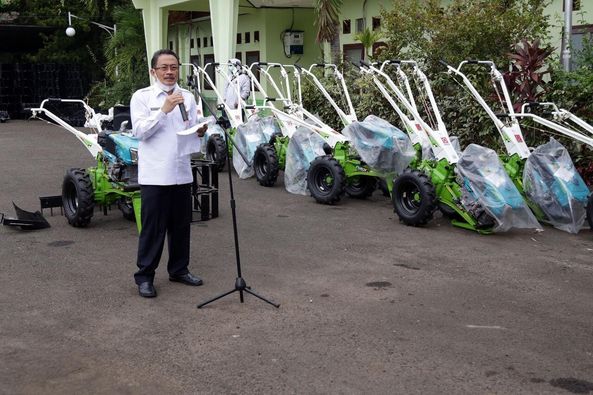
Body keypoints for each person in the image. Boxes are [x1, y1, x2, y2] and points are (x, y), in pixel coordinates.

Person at [130, 49, 208, 298]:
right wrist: (163, 110)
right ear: (153, 71)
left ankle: (179, 269)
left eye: (173, 67)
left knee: (181, 225)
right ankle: (145, 276)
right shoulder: (142, 98)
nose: (169, 72)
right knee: (153, 228)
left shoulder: (187, 96)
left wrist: (199, 131)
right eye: (164, 67)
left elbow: (188, 127)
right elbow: (140, 132)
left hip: (181, 170)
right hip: (155, 173)